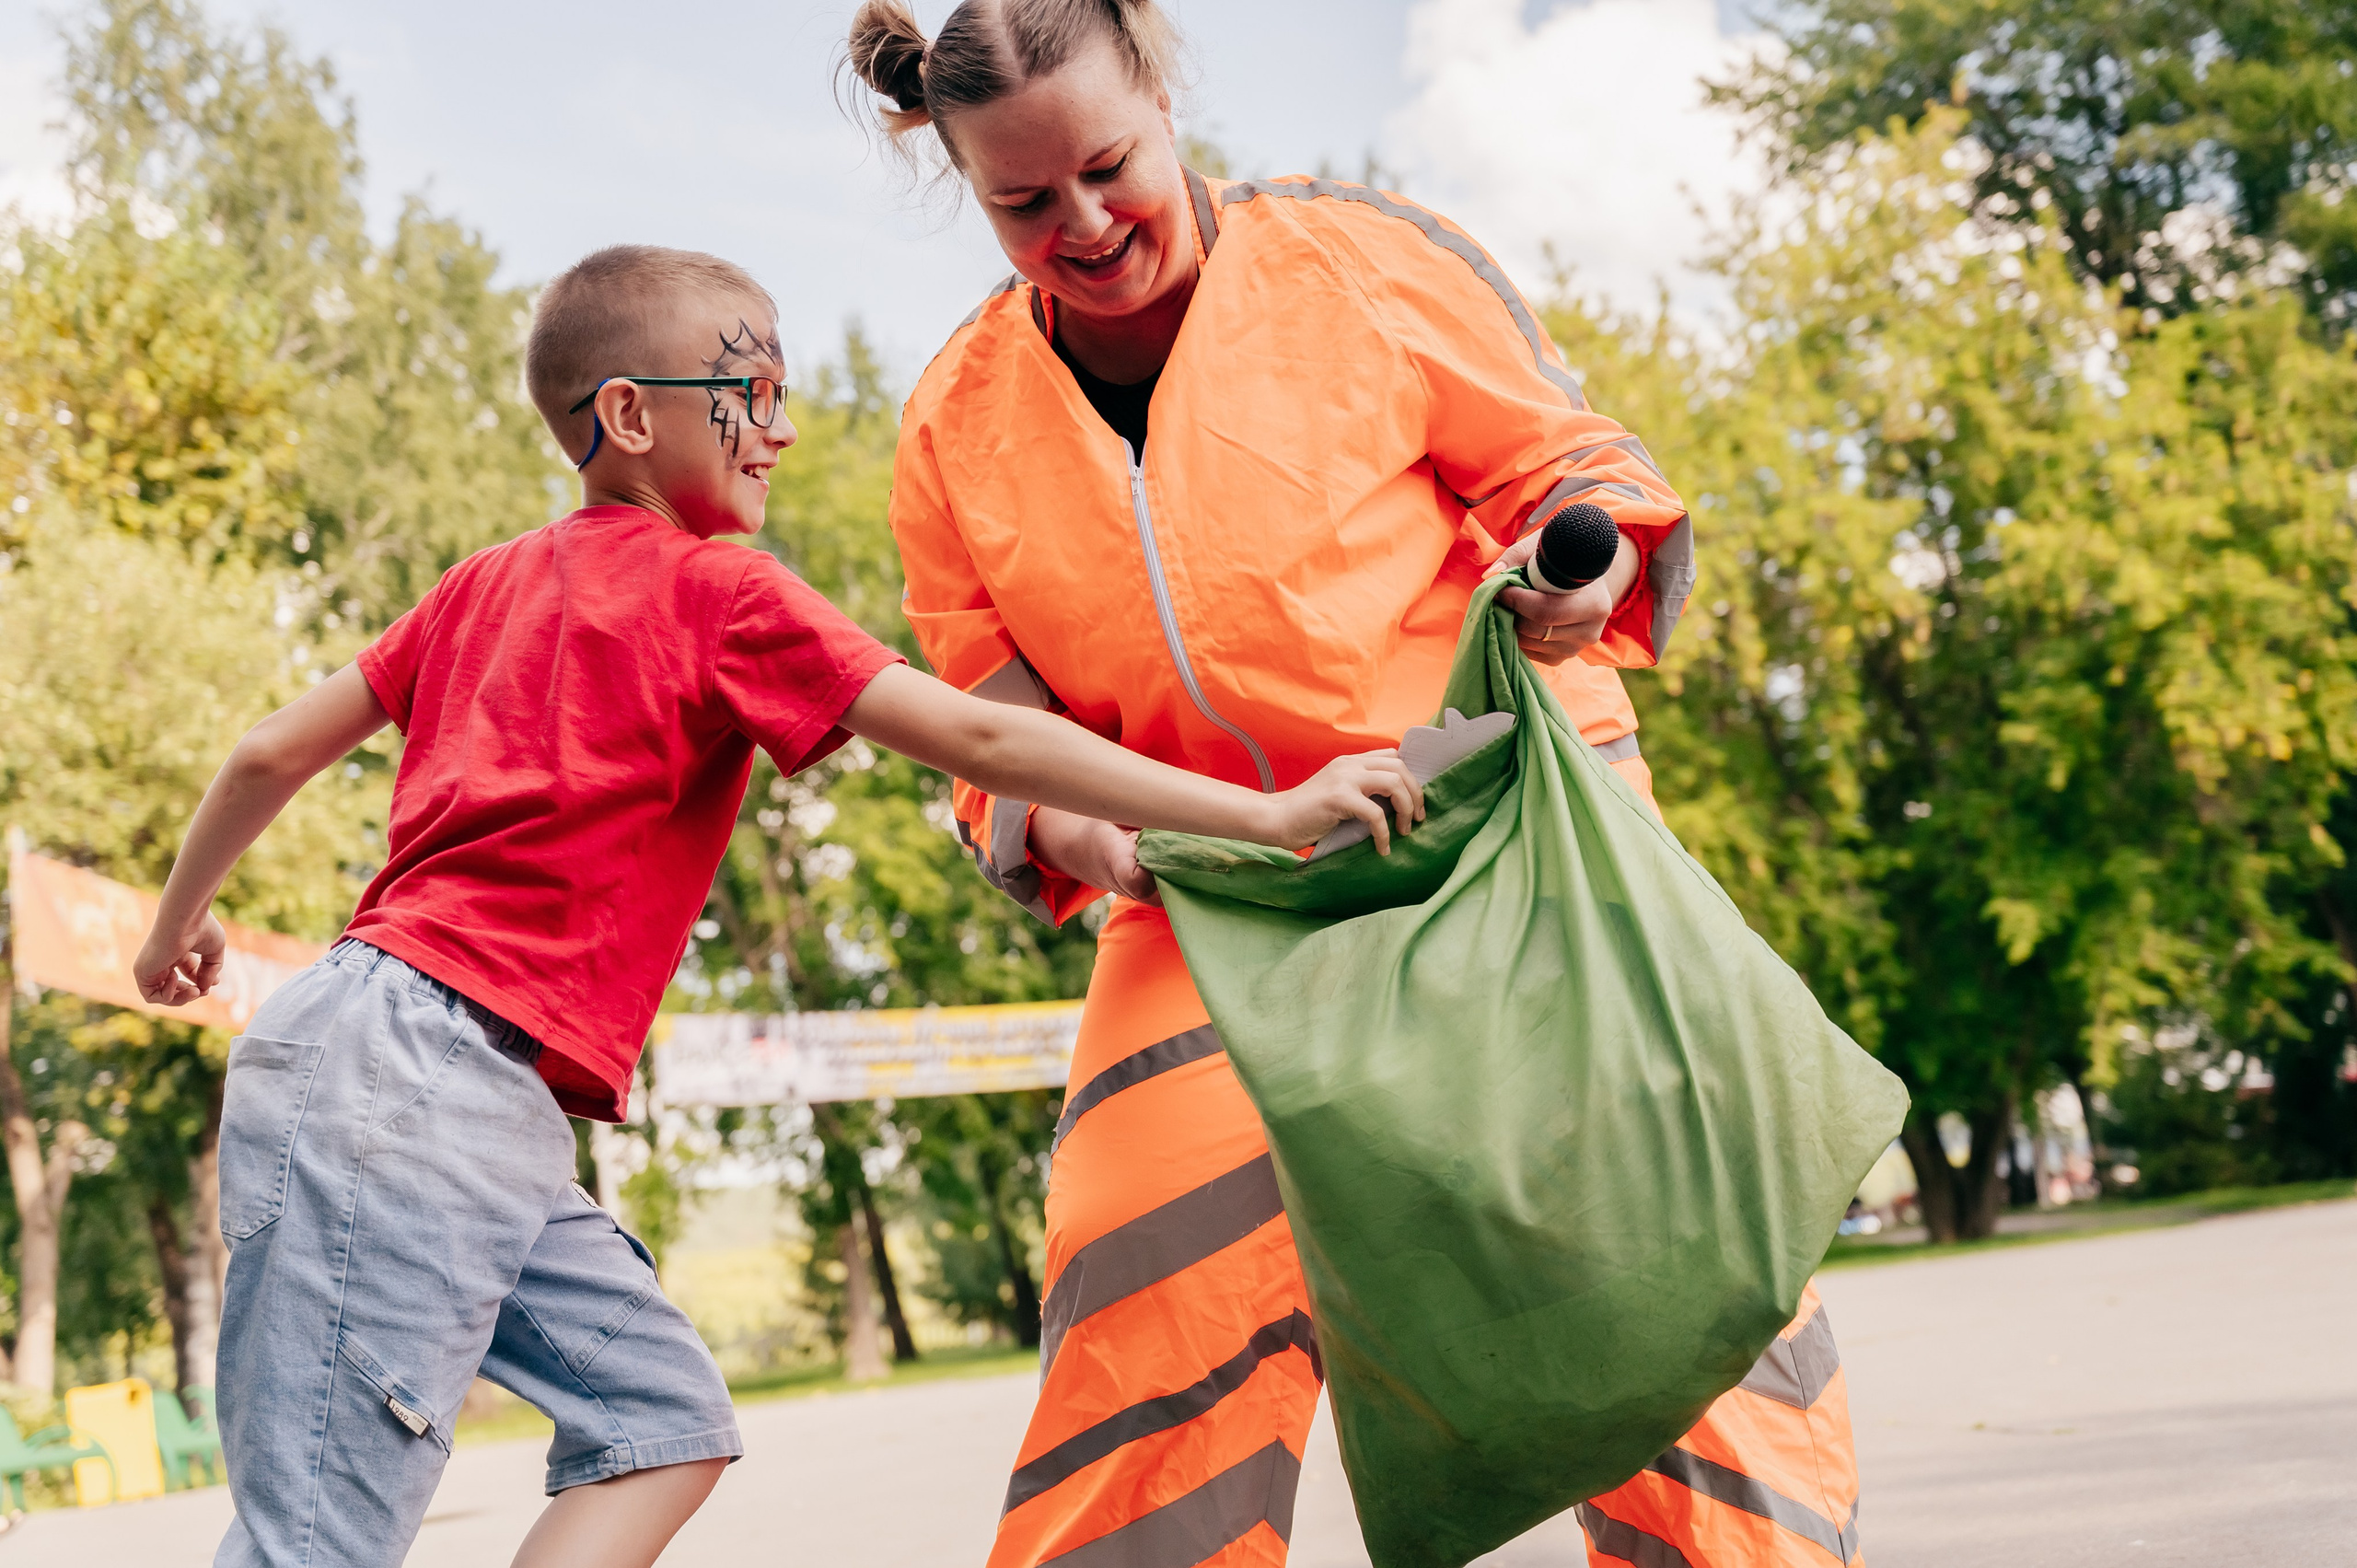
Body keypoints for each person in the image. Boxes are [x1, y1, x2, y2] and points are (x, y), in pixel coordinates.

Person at [129, 243, 1422, 1568]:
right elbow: (978, 740)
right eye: (750, 394)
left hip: (458, 1089)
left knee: (658, 1420)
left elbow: (268, 753)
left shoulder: (479, 586)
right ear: (632, 415)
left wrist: (176, 929)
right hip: (417, 1081)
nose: (785, 432)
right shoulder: (714, 593)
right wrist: (1263, 811)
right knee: (317, 1540)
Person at [843, 5, 1864, 1565]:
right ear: (964, 182)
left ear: (1164, 96)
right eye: (1024, 203)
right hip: (1210, 900)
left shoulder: (1364, 263)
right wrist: (1061, 820)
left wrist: (1582, 569)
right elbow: (982, 700)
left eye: (1108, 169)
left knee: (1654, 1264)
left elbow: (1571, 467)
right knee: (1144, 1305)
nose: (1086, 226)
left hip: (1495, 842)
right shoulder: (955, 421)